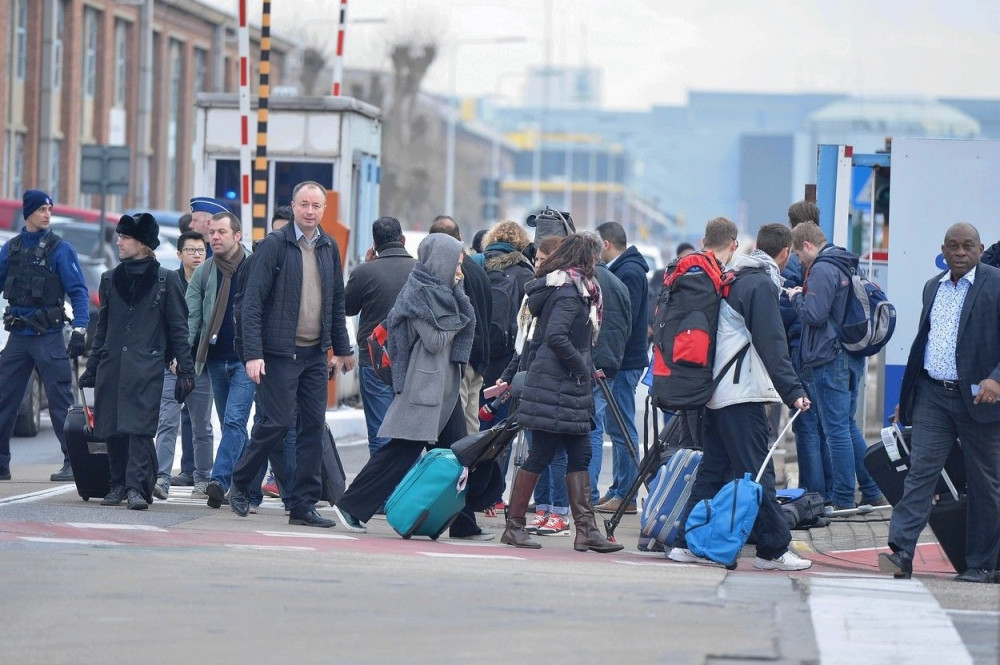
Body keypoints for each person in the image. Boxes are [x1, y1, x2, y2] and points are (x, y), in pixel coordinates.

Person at [668, 220, 812, 570]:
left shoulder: (732, 278)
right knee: (756, 473)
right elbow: (771, 344)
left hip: (716, 391)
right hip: (741, 393)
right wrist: (793, 391)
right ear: (785, 253)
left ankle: (687, 542)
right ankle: (773, 550)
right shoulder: (760, 285)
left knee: (714, 470)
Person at [334, 234, 484, 537]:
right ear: (441, 260)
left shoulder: (444, 292)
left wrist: (457, 304)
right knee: (400, 452)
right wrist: (459, 318)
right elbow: (435, 339)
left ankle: (463, 523)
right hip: (424, 387)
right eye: (456, 262)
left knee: (458, 455)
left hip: (444, 388)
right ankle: (351, 504)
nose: (460, 268)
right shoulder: (420, 294)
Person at [879, 222, 1000, 584]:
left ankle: (981, 563)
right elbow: (923, 347)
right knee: (919, 476)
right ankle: (900, 554)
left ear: (979, 249)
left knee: (985, 484)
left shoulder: (995, 283)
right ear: (943, 250)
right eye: (953, 246)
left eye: (967, 246)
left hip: (980, 400)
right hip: (933, 395)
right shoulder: (932, 287)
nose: (960, 252)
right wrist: (908, 400)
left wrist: (997, 377)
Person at [231, 181, 354, 527]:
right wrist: (254, 354)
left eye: (317, 206)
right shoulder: (273, 246)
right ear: (294, 206)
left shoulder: (329, 247)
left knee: (313, 428)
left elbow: (336, 302)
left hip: (315, 355)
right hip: (279, 353)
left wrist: (342, 350)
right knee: (277, 423)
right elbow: (251, 305)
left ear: (324, 210)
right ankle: (240, 483)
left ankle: (302, 504)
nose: (310, 211)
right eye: (304, 205)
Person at [498, 232, 623, 553]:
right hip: (558, 385)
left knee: (578, 453)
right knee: (543, 454)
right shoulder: (570, 292)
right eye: (595, 258)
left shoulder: (570, 287)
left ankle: (585, 530)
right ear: (586, 258)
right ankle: (516, 526)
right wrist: (581, 367)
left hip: (560, 387)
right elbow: (556, 335)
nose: (597, 264)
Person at [79, 213, 195, 510]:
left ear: (142, 243)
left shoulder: (166, 279)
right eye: (119, 236)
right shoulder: (109, 278)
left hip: (147, 366)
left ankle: (135, 489)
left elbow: (179, 328)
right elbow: (102, 328)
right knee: (112, 428)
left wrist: (186, 370)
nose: (118, 241)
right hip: (112, 363)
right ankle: (117, 485)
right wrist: (92, 367)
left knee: (140, 429)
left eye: (125, 237)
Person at [788, 223, 887, 510]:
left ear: (807, 245)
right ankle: (870, 488)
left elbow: (814, 315)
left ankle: (843, 499)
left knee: (835, 431)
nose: (799, 259)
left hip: (830, 357)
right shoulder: (847, 262)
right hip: (852, 354)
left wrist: (796, 298)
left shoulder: (822, 268)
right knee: (847, 425)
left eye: (798, 252)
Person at [0, 189, 90, 482]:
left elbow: (78, 292)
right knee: (4, 399)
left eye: (50, 209)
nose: (47, 214)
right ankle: (1, 462)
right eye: (41, 209)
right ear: (28, 213)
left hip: (49, 336)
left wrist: (80, 327)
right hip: (18, 337)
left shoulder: (60, 249)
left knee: (61, 402)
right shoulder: (11, 248)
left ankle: (73, 463)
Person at [187, 211, 258, 510]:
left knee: (234, 421)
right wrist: (185, 355)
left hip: (247, 359)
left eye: (221, 232)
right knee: (232, 427)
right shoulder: (204, 272)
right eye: (211, 232)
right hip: (215, 359)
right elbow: (192, 317)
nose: (214, 237)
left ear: (237, 236)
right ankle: (245, 488)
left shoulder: (256, 267)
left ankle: (220, 480)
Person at [344, 216, 416, 455]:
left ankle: (383, 488)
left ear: (374, 244)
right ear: (402, 239)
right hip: (414, 360)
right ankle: (405, 488)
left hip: (375, 360)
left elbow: (347, 308)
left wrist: (365, 266)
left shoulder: (364, 272)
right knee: (408, 433)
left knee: (380, 433)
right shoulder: (420, 271)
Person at [152, 231, 215, 500]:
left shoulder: (213, 282)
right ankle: (161, 477)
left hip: (201, 365)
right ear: (179, 254)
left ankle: (203, 477)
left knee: (202, 425)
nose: (197, 255)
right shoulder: (169, 282)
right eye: (190, 250)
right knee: (167, 421)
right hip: (172, 365)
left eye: (201, 250)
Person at [594, 221, 649, 515]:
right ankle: (618, 488)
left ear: (605, 244)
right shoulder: (626, 269)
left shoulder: (629, 272)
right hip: (623, 359)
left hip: (625, 361)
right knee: (616, 427)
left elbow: (622, 322)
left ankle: (626, 492)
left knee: (623, 427)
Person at [778, 202, 831, 499]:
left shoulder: (799, 261)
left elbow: (789, 309)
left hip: (802, 347)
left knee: (806, 422)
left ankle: (813, 492)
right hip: (822, 349)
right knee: (825, 425)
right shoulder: (828, 255)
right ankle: (831, 490)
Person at [429, 215, 491, 437]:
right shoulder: (479, 270)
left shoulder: (450, 272)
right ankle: (472, 469)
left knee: (454, 429)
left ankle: (456, 471)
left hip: (458, 358)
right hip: (479, 357)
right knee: (471, 425)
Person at [259, 204, 296, 500]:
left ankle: (290, 489)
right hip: (267, 355)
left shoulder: (305, 257)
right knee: (269, 423)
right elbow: (248, 305)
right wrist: (252, 352)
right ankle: (249, 486)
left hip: (301, 356)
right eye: (277, 229)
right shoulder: (262, 257)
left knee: (292, 425)